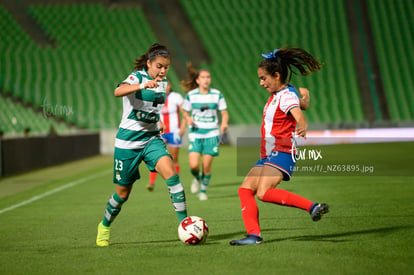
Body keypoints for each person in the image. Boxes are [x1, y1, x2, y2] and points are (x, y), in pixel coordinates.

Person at [230, 47, 329, 246]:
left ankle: (312, 207)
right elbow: (299, 105)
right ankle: (253, 236)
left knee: (264, 192)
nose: (261, 83)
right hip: (268, 154)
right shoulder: (286, 92)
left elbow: (298, 113)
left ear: (276, 75)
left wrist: (302, 123)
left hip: (282, 151)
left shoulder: (284, 96)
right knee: (245, 190)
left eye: (263, 78)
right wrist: (306, 101)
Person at [96, 43, 187, 247]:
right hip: (128, 143)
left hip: (151, 139)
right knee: (122, 194)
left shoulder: (163, 83)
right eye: (159, 66)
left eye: (166, 67)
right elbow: (118, 91)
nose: (163, 71)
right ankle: (104, 226)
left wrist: (157, 121)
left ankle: (185, 225)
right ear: (149, 63)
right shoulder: (137, 77)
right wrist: (142, 85)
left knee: (173, 177)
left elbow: (151, 109)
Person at [181, 63, 229, 201]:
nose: (206, 79)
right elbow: (184, 110)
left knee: (206, 166)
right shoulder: (191, 95)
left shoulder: (217, 94)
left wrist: (224, 123)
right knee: (194, 166)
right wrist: (188, 118)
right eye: (203, 77)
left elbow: (224, 113)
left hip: (212, 134)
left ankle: (203, 191)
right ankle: (197, 178)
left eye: (208, 77)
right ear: (197, 80)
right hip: (196, 133)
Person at [146, 79, 186, 191]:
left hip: (174, 132)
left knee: (174, 158)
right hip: (160, 132)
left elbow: (184, 113)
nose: (166, 87)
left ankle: (176, 182)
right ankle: (151, 182)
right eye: (163, 85)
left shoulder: (176, 97)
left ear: (170, 86)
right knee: (156, 157)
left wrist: (182, 128)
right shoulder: (156, 97)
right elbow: (152, 113)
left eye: (168, 85)